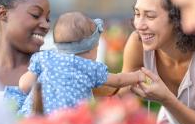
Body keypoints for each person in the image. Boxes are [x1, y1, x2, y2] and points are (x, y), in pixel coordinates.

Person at [12, 11, 144, 115]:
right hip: (70, 121)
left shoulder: (45, 57)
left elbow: (24, 85)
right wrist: (138, 76)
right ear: (90, 50)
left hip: (35, 115)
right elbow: (119, 80)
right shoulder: (89, 67)